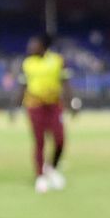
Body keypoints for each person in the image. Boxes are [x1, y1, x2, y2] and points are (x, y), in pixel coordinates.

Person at [19, 34, 70, 192]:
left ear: (43, 46)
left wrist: (72, 102)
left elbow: (65, 82)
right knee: (39, 141)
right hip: (35, 105)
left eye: (33, 44)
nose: (30, 47)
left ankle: (52, 168)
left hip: (54, 105)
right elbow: (23, 85)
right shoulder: (27, 63)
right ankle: (40, 176)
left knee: (60, 139)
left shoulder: (57, 60)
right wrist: (14, 106)